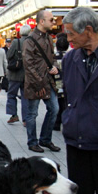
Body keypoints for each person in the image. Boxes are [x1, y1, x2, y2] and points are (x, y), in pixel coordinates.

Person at [59, 7, 98, 194]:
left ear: (88, 30)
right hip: (76, 135)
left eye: (71, 34)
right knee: (77, 190)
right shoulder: (71, 59)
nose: (68, 39)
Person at [22, 10, 60, 153]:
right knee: (32, 113)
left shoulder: (49, 38)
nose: (54, 22)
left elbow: (52, 58)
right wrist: (38, 83)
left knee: (54, 109)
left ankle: (45, 139)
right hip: (35, 84)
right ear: (41, 21)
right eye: (51, 20)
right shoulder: (30, 40)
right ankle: (32, 142)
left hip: (48, 81)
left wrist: (54, 67)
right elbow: (28, 64)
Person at [6, 24, 30, 126]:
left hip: (15, 73)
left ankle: (14, 115)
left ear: (20, 32)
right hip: (28, 74)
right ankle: (25, 119)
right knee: (25, 96)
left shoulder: (16, 42)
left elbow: (9, 55)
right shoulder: (32, 42)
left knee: (11, 95)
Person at [53, 32, 70, 131]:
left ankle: (57, 122)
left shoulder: (54, 57)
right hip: (68, 82)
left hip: (57, 82)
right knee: (66, 102)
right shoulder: (70, 56)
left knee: (59, 102)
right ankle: (64, 121)